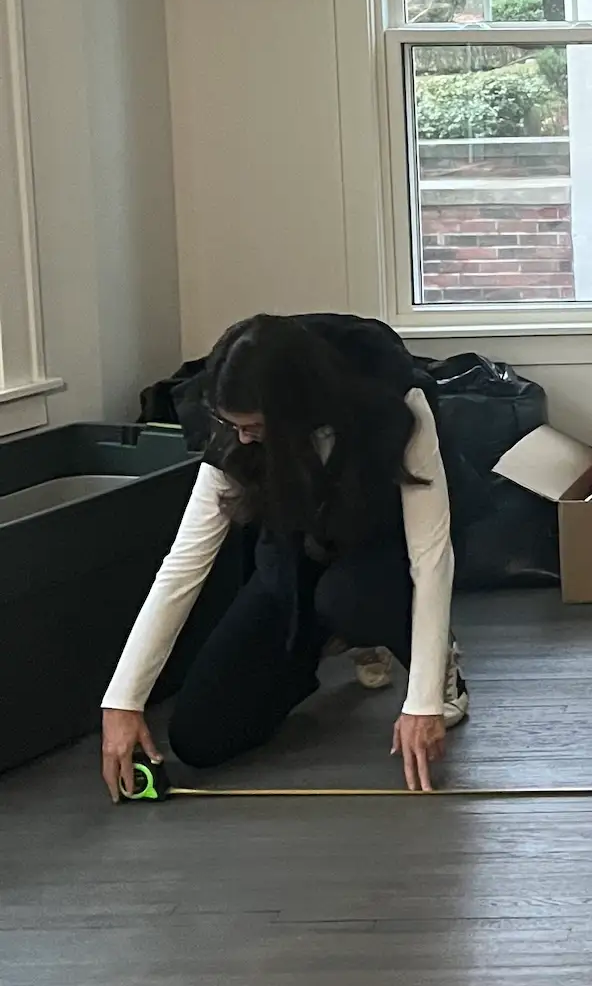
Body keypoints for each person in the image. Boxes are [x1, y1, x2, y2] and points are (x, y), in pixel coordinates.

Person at [100, 313, 469, 799]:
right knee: (200, 739)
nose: (243, 437)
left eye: (253, 426)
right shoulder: (237, 437)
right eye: (232, 425)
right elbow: (184, 565)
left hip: (381, 551)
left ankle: (426, 653)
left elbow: (430, 551)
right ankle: (321, 644)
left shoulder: (396, 404)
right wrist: (123, 701)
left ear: (296, 411)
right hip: (296, 561)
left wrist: (421, 702)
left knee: (351, 598)